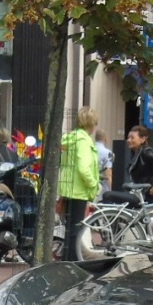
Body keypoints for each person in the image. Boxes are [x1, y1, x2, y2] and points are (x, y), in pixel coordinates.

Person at [58, 107, 100, 262]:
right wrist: (93, 184)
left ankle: (67, 258)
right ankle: (73, 260)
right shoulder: (83, 141)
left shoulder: (71, 139)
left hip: (68, 189)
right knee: (77, 228)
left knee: (70, 228)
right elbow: (84, 168)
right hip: (79, 190)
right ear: (91, 123)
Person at [124, 124, 153, 203]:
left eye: (132, 137)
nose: (129, 140)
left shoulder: (146, 152)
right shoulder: (136, 153)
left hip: (148, 195)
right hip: (141, 194)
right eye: (128, 137)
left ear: (143, 139)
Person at [93, 128, 114, 193]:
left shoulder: (90, 149)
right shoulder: (108, 153)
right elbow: (108, 173)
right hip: (102, 188)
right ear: (105, 139)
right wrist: (111, 190)